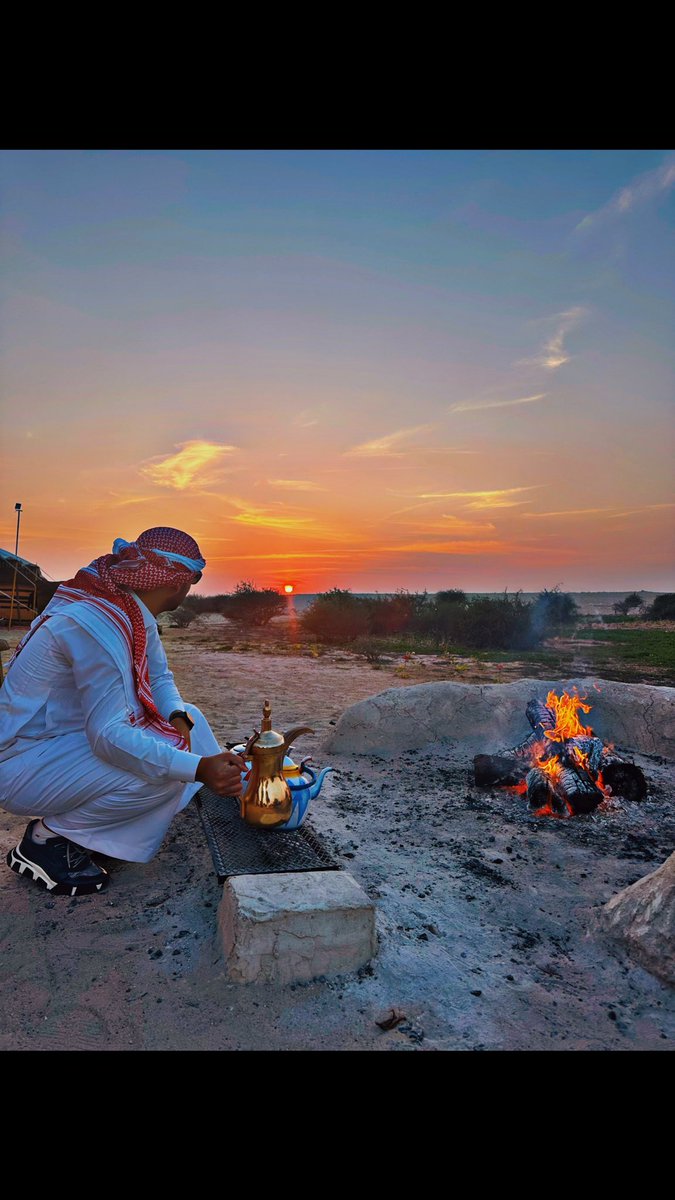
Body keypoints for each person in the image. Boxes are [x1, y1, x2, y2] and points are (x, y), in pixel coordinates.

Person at [0, 527, 246, 896]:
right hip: (21, 762)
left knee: (188, 722)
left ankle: (104, 827)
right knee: (164, 771)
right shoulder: (97, 624)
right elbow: (108, 735)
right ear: (179, 583)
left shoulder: (128, 609)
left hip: (60, 743)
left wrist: (177, 719)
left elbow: (160, 677)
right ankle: (47, 840)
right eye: (194, 580)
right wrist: (198, 768)